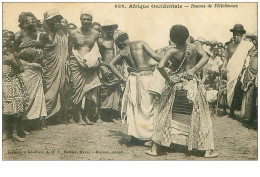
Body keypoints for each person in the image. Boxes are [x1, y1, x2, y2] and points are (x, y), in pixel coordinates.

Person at [146, 25, 218, 158]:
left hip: (176, 85)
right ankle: (208, 150)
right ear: (187, 35)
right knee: (201, 115)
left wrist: (169, 80)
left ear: (172, 38)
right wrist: (193, 69)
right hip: (192, 85)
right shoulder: (195, 45)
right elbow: (206, 58)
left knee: (164, 113)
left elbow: (160, 66)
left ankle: (155, 148)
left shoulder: (171, 51)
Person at [105, 30, 162, 144]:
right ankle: (150, 137)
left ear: (118, 43)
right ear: (127, 37)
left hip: (133, 79)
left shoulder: (123, 51)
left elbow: (110, 64)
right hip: (146, 77)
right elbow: (156, 56)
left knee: (134, 107)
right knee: (148, 106)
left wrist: (122, 78)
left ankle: (135, 135)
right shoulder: (141, 43)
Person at [68, 10, 102, 125]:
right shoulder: (73, 33)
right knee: (76, 91)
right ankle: (77, 116)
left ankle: (86, 116)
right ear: (80, 20)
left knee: (90, 93)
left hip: (91, 67)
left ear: (91, 20)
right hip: (76, 65)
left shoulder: (96, 34)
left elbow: (98, 50)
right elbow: (69, 51)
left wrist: (95, 62)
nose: (86, 21)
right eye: (84, 19)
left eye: (88, 19)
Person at [15, 12, 47, 130]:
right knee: (26, 95)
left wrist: (37, 45)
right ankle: (23, 123)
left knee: (38, 96)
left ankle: (38, 121)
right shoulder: (19, 35)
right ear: (23, 23)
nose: (34, 23)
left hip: (37, 69)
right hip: (25, 69)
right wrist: (24, 49)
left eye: (34, 21)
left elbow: (42, 48)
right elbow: (12, 53)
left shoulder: (38, 34)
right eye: (30, 22)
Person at [40, 9, 68, 123]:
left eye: (58, 19)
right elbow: (40, 52)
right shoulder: (43, 34)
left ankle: (54, 117)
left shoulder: (61, 34)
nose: (57, 22)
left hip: (60, 67)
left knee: (60, 90)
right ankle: (42, 117)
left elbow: (65, 50)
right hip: (48, 67)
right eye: (54, 20)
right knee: (48, 93)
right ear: (48, 22)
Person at [222, 24, 253, 118]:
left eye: (238, 35)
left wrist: (245, 66)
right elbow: (226, 58)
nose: (236, 37)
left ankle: (231, 111)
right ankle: (224, 109)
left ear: (241, 35)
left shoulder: (247, 45)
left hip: (240, 70)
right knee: (226, 89)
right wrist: (223, 66)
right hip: (230, 70)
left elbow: (250, 55)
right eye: (234, 34)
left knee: (236, 90)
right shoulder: (230, 46)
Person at [2, 36, 29, 141]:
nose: (4, 49)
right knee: (4, 111)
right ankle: (5, 133)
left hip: (13, 84)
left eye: (6, 47)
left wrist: (11, 62)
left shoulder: (13, 55)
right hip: (2, 85)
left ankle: (14, 133)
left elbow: (21, 69)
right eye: (2, 47)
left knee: (15, 111)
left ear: (10, 47)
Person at [97, 20, 122, 122]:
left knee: (115, 92)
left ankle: (112, 116)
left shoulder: (117, 42)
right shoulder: (100, 41)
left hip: (116, 69)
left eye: (112, 28)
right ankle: (99, 116)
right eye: (108, 28)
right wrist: (102, 66)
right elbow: (97, 56)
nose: (111, 30)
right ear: (105, 29)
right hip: (105, 68)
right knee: (103, 92)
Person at [241, 33, 258, 125]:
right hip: (249, 74)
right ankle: (247, 116)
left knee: (254, 98)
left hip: (255, 76)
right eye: (253, 40)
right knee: (247, 95)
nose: (254, 42)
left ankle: (253, 118)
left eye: (255, 40)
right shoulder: (252, 50)